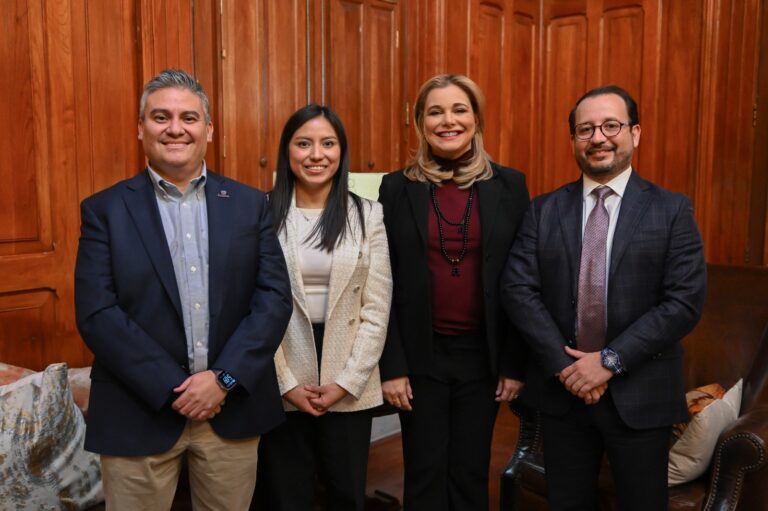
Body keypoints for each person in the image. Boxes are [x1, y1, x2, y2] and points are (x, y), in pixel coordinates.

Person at [74, 69, 293, 510]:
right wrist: (179, 388)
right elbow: (98, 313)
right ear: (141, 128)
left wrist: (222, 381)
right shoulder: (105, 210)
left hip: (230, 411)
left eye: (189, 117)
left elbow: (273, 300)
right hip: (138, 413)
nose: (176, 128)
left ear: (208, 129)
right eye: (161, 116)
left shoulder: (251, 205)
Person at [501, 85, 707, 511]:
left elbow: (683, 301)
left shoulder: (672, 210)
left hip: (640, 392)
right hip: (563, 394)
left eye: (610, 125)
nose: (598, 137)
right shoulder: (542, 211)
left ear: (635, 133)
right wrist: (568, 368)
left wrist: (608, 361)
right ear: (574, 140)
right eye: (585, 129)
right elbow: (518, 290)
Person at [377, 74, 530, 510]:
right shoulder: (395, 188)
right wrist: (391, 366)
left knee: (470, 473)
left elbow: (522, 279)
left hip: (483, 358)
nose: (448, 120)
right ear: (420, 122)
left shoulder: (511, 185)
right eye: (435, 111)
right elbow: (379, 280)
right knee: (423, 473)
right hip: (419, 358)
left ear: (477, 119)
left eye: (459, 109)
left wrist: (514, 364)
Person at [254, 104, 392, 510]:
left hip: (348, 373)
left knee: (346, 494)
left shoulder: (368, 214)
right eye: (304, 144)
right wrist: (286, 383)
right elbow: (253, 305)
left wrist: (348, 381)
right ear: (287, 151)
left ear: (341, 150)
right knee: (284, 494)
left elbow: (376, 307)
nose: (316, 155)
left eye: (328, 143)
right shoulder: (260, 211)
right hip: (281, 367)